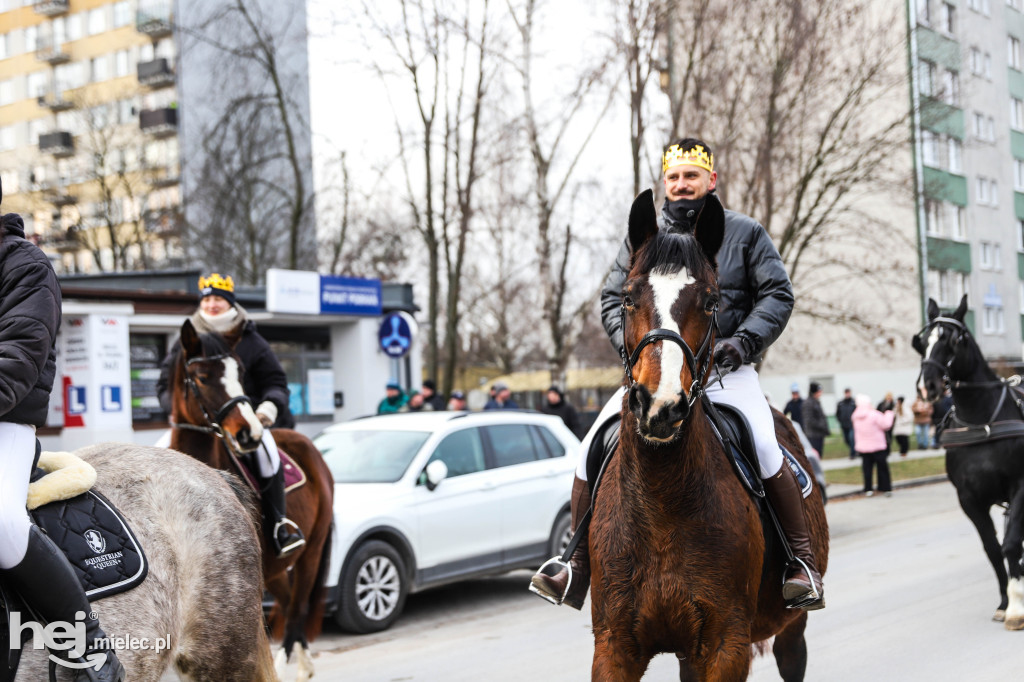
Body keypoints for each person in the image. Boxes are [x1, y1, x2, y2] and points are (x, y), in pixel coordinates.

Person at [531, 138, 823, 611]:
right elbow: (612, 299)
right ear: (664, 183)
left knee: (766, 446)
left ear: (711, 181)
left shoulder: (745, 233)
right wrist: (642, 356)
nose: (682, 184)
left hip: (726, 371)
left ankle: (799, 562)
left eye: (691, 175)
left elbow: (778, 294)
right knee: (590, 447)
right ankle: (577, 562)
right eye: (674, 177)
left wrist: (743, 341)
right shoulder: (641, 241)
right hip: (655, 371)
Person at [0, 186, 125, 680]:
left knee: (2, 526)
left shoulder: (26, 266)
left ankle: (88, 651)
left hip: (6, 421)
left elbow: (19, 357)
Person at [156, 273, 304, 558]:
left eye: (219, 299)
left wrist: (267, 410)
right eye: (207, 299)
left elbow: (276, 382)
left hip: (244, 421)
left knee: (267, 457)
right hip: (197, 425)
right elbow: (165, 384)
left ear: (230, 303)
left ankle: (279, 526)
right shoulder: (186, 340)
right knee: (154, 457)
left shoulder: (249, 339)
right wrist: (175, 410)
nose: (212, 305)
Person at [853, 394, 895, 496]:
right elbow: (886, 425)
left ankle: (868, 488)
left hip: (863, 447)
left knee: (867, 469)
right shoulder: (874, 414)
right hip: (877, 446)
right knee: (882, 468)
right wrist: (889, 413)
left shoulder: (855, 416)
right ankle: (885, 487)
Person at [802, 382, 830, 458]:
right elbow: (809, 420)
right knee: (815, 456)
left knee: (819, 455)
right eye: (819, 391)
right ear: (815, 391)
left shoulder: (815, 402)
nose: (821, 393)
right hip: (813, 435)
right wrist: (822, 425)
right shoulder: (808, 403)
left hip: (819, 434)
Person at [836, 387, 857, 459]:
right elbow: (837, 413)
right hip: (844, 425)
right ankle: (855, 449)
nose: (847, 394)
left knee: (852, 439)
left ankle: (852, 454)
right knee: (847, 440)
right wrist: (840, 420)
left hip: (852, 425)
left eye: (848, 393)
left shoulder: (854, 402)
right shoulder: (841, 403)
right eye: (846, 393)